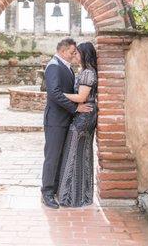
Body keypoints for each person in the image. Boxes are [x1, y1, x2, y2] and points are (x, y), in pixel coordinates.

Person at [41, 38, 92, 209]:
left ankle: (55, 189)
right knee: (52, 157)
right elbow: (54, 93)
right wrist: (76, 108)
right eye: (71, 52)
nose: (73, 55)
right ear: (63, 51)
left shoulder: (67, 67)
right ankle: (47, 193)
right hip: (55, 121)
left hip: (65, 120)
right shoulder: (54, 66)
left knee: (60, 157)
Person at [57, 41, 98, 207]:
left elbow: (81, 98)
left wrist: (59, 94)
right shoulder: (85, 71)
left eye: (78, 53)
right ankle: (81, 196)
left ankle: (71, 197)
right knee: (80, 153)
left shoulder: (88, 73)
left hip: (85, 117)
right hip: (84, 115)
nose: (75, 56)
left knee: (74, 152)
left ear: (85, 54)